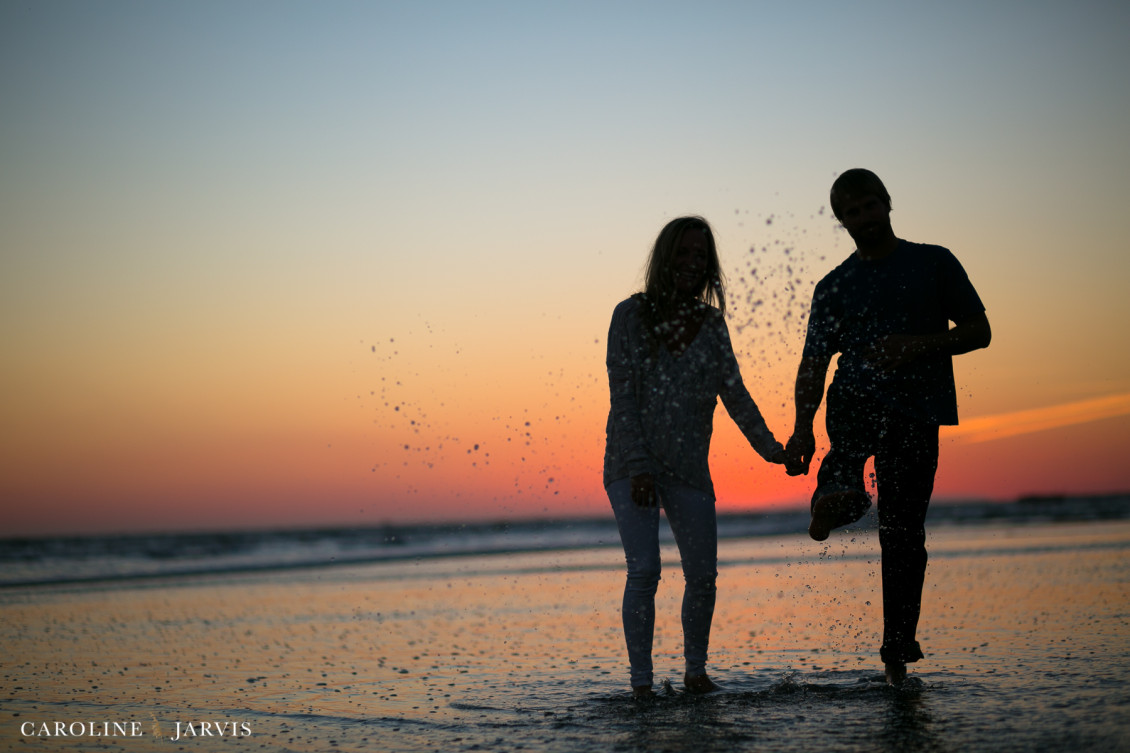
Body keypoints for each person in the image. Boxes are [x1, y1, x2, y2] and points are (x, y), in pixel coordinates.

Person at [785, 169, 991, 685]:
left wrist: (916, 344)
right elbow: (813, 363)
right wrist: (802, 427)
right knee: (849, 471)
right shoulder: (834, 286)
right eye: (850, 213)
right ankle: (836, 497)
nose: (862, 219)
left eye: (869, 206)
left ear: (887, 204)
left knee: (902, 533)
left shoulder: (933, 262)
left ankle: (897, 650)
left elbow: (979, 331)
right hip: (852, 399)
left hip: (917, 413)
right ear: (840, 220)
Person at [604, 215, 792, 697]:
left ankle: (695, 673)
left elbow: (734, 392)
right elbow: (622, 397)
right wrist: (640, 465)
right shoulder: (630, 314)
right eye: (682, 254)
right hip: (631, 464)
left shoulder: (711, 324)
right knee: (645, 570)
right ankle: (642, 686)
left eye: (700, 256)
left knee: (703, 576)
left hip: (688, 466)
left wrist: (772, 448)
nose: (691, 264)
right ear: (663, 260)